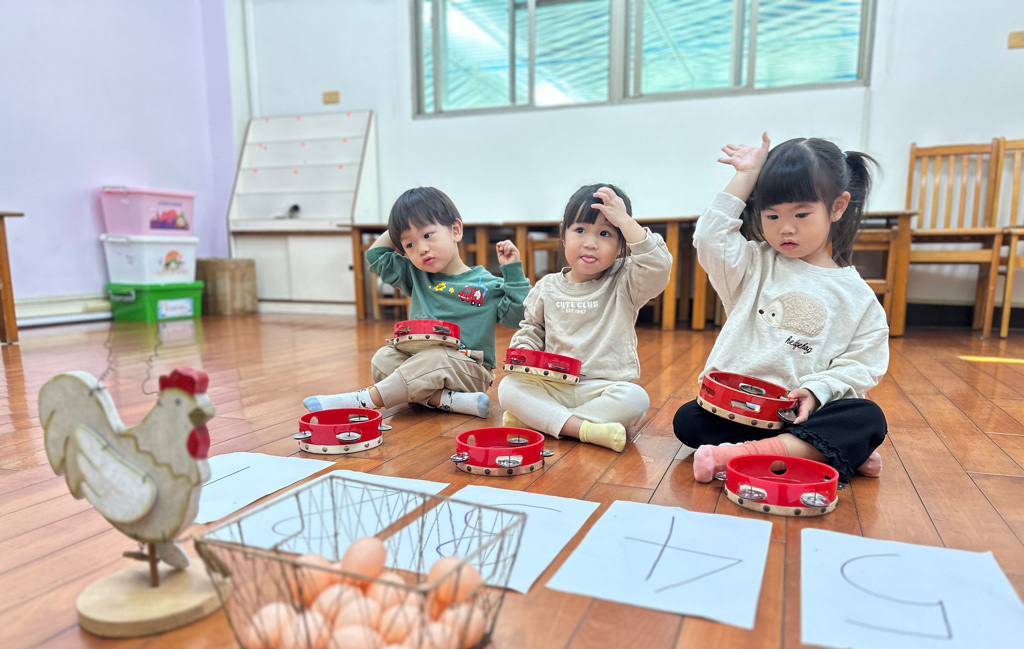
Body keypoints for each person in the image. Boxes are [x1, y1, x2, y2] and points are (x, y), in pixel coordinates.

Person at [673, 134, 888, 484]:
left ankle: (741, 455)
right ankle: (825, 450)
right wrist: (746, 175)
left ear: (837, 207)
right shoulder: (750, 266)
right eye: (771, 215)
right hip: (741, 410)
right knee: (688, 420)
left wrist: (817, 392)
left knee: (867, 417)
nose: (785, 228)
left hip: (804, 414)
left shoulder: (858, 297)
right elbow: (711, 238)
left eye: (801, 214)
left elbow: (862, 365)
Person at [303, 187, 530, 417]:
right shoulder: (416, 275)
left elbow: (518, 316)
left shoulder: (487, 284)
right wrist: (401, 225)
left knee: (437, 357)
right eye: (409, 245)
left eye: (428, 235)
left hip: (469, 371)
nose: (421, 249)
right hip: (421, 363)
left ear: (455, 230)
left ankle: (363, 400)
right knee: (383, 358)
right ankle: (447, 401)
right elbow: (376, 257)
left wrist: (512, 271)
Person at [497, 184, 672, 452]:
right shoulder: (546, 287)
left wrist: (625, 221)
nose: (590, 243)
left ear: (621, 245)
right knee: (508, 387)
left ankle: (544, 420)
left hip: (602, 388)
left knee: (636, 399)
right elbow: (532, 329)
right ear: (563, 235)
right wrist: (523, 351)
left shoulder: (626, 280)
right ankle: (586, 429)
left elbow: (658, 266)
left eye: (605, 233)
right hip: (553, 383)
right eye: (580, 230)